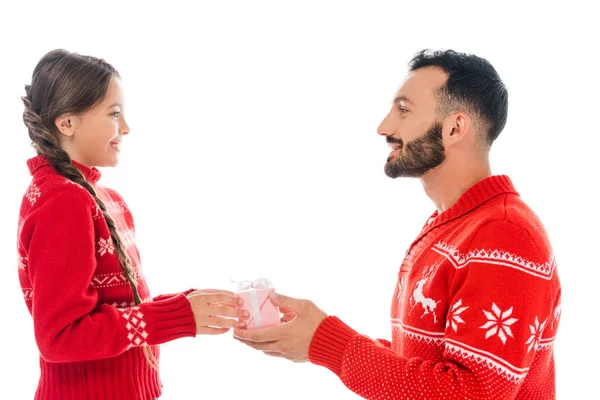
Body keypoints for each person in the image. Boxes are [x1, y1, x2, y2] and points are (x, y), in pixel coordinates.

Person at [233, 49, 562, 399]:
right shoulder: (451, 226)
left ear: (455, 127)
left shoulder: (504, 235)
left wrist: (332, 345)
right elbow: (425, 365)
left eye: (404, 111)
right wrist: (318, 338)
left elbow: (472, 393)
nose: (384, 128)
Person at [17, 49, 247, 400]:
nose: (125, 128)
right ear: (67, 123)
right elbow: (61, 336)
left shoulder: (102, 198)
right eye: (114, 113)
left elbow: (117, 309)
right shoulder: (62, 201)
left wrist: (185, 306)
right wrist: (174, 318)